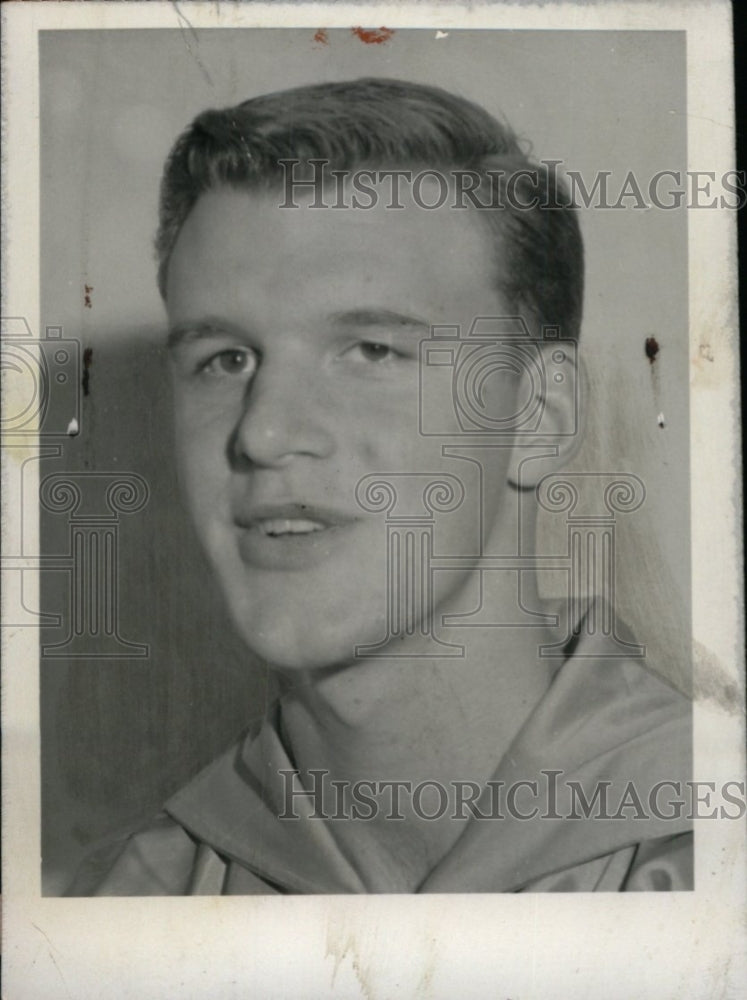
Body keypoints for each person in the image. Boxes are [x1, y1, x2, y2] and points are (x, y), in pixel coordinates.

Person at [68, 78, 692, 895]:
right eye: (225, 359)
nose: (261, 434)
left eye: (370, 351)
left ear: (538, 416)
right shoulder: (116, 908)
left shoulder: (705, 865)